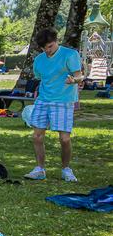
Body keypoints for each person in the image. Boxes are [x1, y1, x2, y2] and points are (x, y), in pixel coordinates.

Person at [24, 27, 84, 182]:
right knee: (37, 136)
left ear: (56, 41)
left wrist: (74, 80)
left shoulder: (70, 55)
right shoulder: (39, 60)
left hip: (63, 101)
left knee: (64, 139)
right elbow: (41, 78)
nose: (47, 51)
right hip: (43, 100)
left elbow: (79, 76)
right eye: (44, 48)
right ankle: (40, 169)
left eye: (50, 46)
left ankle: (66, 169)